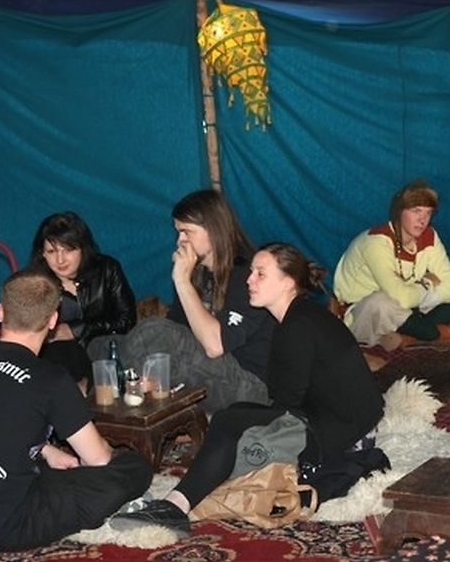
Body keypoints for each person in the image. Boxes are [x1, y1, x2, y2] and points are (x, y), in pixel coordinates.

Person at [111, 243, 387, 537]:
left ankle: (177, 505)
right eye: (251, 271)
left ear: (288, 282)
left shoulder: (298, 325)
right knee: (234, 416)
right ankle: (180, 500)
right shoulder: (297, 317)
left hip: (344, 432)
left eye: (260, 274)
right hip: (340, 418)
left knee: (230, 422)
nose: (249, 280)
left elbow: (288, 400)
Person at [0, 271, 151, 550]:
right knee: (133, 467)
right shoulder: (50, 379)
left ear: (0, 312)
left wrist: (45, 449)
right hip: (6, 526)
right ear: (53, 320)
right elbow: (98, 459)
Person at [112, 189, 275, 414]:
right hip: (206, 372)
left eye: (186, 232)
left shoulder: (247, 275)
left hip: (250, 384)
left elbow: (215, 346)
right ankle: (133, 403)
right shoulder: (197, 274)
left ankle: (135, 402)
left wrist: (182, 281)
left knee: (154, 330)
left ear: (213, 229)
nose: (180, 241)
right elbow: (177, 331)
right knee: (104, 345)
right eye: (178, 232)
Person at [334, 180, 450, 351]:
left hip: (412, 306)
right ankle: (437, 333)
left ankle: (410, 335)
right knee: (380, 302)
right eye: (416, 211)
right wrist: (427, 284)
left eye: (428, 213)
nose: (422, 220)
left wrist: (425, 292)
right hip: (365, 313)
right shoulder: (375, 243)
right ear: (399, 211)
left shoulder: (429, 236)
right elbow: (400, 297)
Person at [27, 211, 137, 387]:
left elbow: (127, 320)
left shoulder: (107, 269)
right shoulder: (34, 282)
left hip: (105, 352)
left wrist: (76, 330)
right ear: (42, 254)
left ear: (83, 248)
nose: (60, 259)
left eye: (68, 250)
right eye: (52, 251)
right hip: (58, 361)